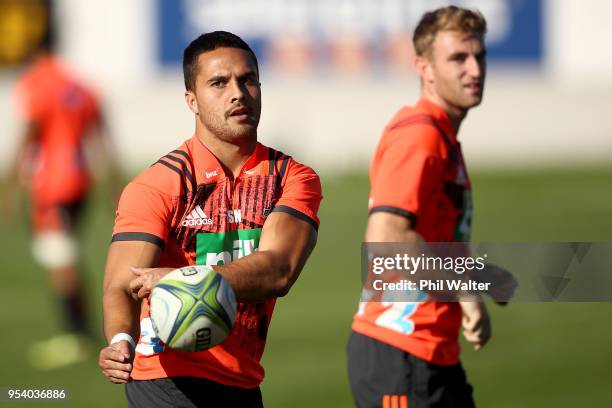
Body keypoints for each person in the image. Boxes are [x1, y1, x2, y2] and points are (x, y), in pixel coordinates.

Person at [98, 31, 322, 407]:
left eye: (247, 79)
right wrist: (120, 341)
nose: (237, 93)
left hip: (242, 380)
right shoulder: (158, 184)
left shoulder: (292, 177)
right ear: (192, 101)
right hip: (165, 378)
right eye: (219, 83)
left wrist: (185, 281)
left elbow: (279, 270)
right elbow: (122, 284)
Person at [348, 6, 501, 407]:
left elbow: (433, 239)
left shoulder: (443, 137)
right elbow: (386, 239)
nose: (475, 69)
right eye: (458, 58)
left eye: (479, 56)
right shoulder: (421, 134)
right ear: (424, 67)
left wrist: (481, 275)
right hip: (401, 351)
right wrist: (466, 290)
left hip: (429, 353)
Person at [2, 39, 121, 370]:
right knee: (67, 253)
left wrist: (9, 187)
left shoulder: (37, 83)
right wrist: (114, 185)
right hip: (80, 180)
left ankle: (76, 336)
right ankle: (82, 331)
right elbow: (101, 137)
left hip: (52, 184)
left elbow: (29, 132)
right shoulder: (81, 87)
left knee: (59, 258)